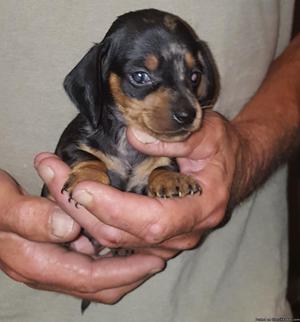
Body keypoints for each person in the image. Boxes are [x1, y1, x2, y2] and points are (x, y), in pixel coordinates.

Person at [0, 1, 299, 321]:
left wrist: (247, 149)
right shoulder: (89, 132)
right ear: (98, 78)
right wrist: (89, 168)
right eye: (141, 76)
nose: (184, 106)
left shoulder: (163, 152)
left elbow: (163, 167)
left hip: (230, 297)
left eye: (192, 75)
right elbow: (76, 153)